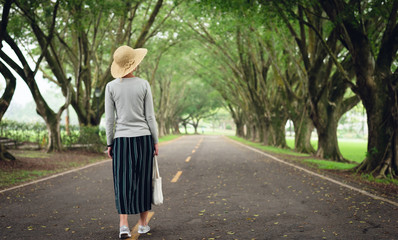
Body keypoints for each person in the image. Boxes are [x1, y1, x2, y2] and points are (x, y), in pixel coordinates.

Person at [105, 45, 159, 239]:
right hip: (144, 139)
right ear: (134, 65)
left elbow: (109, 119)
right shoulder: (144, 84)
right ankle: (143, 224)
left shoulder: (111, 87)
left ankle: (123, 225)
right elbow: (150, 117)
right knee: (143, 180)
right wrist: (155, 141)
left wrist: (110, 143)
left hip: (121, 140)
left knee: (122, 181)